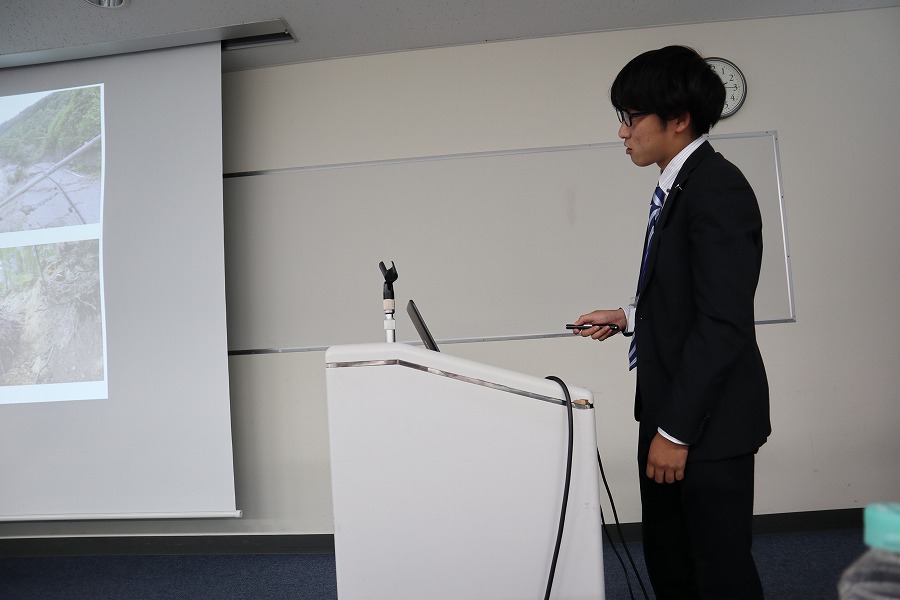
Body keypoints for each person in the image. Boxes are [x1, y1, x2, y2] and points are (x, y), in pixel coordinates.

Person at [571, 45, 771, 599]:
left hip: (703, 424)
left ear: (679, 119)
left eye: (631, 117)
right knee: (671, 560)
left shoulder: (718, 187)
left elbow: (723, 323)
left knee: (716, 572)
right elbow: (691, 296)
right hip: (672, 412)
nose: (622, 132)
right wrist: (629, 317)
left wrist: (675, 432)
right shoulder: (678, 184)